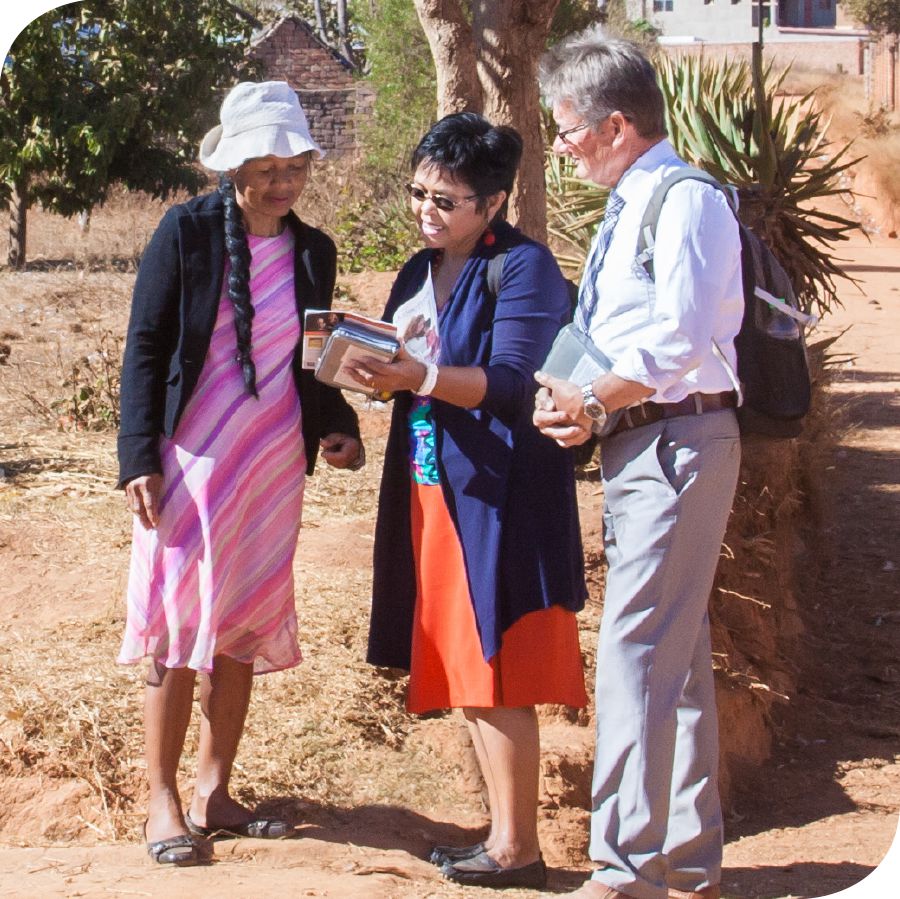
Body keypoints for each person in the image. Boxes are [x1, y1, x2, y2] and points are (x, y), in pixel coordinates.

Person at [116, 81, 363, 866]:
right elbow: (146, 349)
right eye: (265, 166)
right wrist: (137, 457)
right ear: (232, 167)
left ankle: (214, 791)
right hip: (191, 464)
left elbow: (316, 357)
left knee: (242, 626)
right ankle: (161, 798)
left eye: (294, 166)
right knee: (177, 625)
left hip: (269, 464)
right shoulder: (184, 233)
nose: (282, 182)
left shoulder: (312, 249)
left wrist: (340, 427)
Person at [352, 112, 588, 891]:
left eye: (446, 200)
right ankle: (505, 838)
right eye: (419, 192)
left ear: (491, 204)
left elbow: (516, 384)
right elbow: (406, 360)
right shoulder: (420, 268)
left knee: (499, 669)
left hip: (501, 496)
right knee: (464, 667)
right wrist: (362, 368)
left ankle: (518, 846)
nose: (427, 210)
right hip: (432, 487)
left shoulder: (524, 269)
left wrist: (415, 377)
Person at [534, 31, 744, 899]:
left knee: (634, 654)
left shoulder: (684, 200)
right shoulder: (635, 202)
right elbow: (623, 332)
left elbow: (678, 338)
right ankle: (686, 864)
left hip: (677, 440)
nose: (561, 145)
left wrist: (595, 401)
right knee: (677, 657)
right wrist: (579, 398)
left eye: (568, 129)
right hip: (647, 443)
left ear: (616, 125)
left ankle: (623, 872)